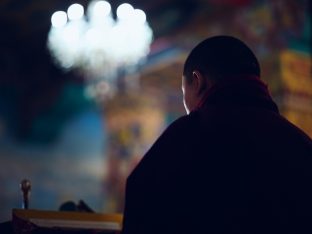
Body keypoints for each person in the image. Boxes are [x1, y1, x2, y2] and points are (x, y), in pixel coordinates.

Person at [121, 35, 312, 234]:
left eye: (184, 91)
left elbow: (144, 200)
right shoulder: (300, 142)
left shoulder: (187, 136)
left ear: (197, 81)